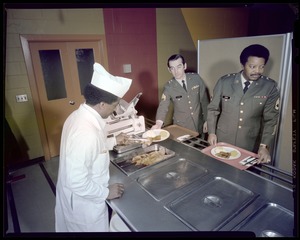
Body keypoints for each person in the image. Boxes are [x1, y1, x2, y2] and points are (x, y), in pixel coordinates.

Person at [55, 62, 132, 232]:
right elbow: (76, 181)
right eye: (115, 105)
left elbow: (93, 147)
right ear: (102, 104)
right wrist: (106, 193)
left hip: (78, 197)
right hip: (84, 205)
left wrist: (113, 141)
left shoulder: (79, 115)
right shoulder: (86, 132)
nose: (116, 109)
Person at [207, 44, 280, 164]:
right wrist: (211, 133)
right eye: (252, 66)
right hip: (222, 140)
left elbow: (271, 119)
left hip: (249, 144)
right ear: (243, 64)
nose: (257, 71)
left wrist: (264, 146)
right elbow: (213, 109)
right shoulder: (225, 82)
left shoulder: (269, 87)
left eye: (261, 67)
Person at [151, 54, 209, 136]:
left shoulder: (196, 79)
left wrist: (207, 120)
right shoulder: (169, 87)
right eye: (172, 68)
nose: (176, 71)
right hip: (182, 127)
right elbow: (163, 106)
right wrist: (158, 124)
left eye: (179, 66)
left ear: (184, 66)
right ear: (169, 70)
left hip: (199, 123)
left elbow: (204, 101)